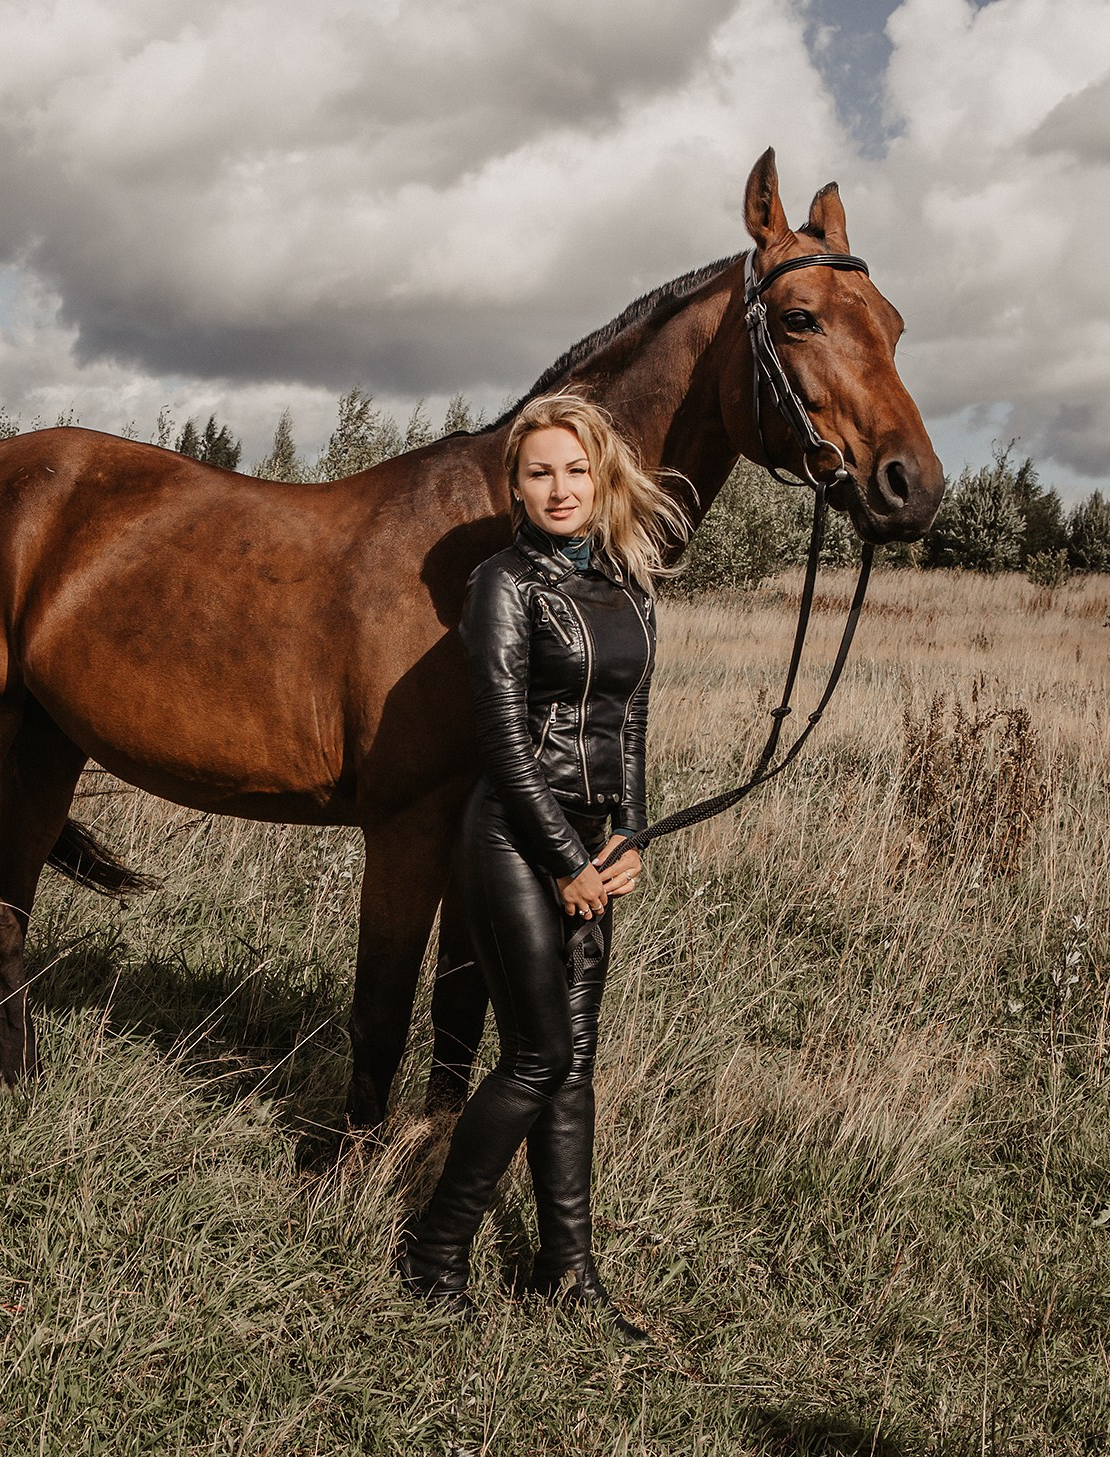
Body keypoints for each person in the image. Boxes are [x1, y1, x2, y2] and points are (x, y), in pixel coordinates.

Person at [396, 393, 686, 1342]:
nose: (560, 489)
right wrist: (566, 862)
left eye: (574, 470)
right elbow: (503, 742)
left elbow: (630, 726)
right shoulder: (502, 584)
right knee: (540, 1054)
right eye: (539, 473)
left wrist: (628, 836)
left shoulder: (629, 587)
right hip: (515, 840)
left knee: (576, 1064)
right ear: (515, 489)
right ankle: (436, 1251)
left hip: (595, 848)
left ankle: (566, 1268)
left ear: (600, 477)